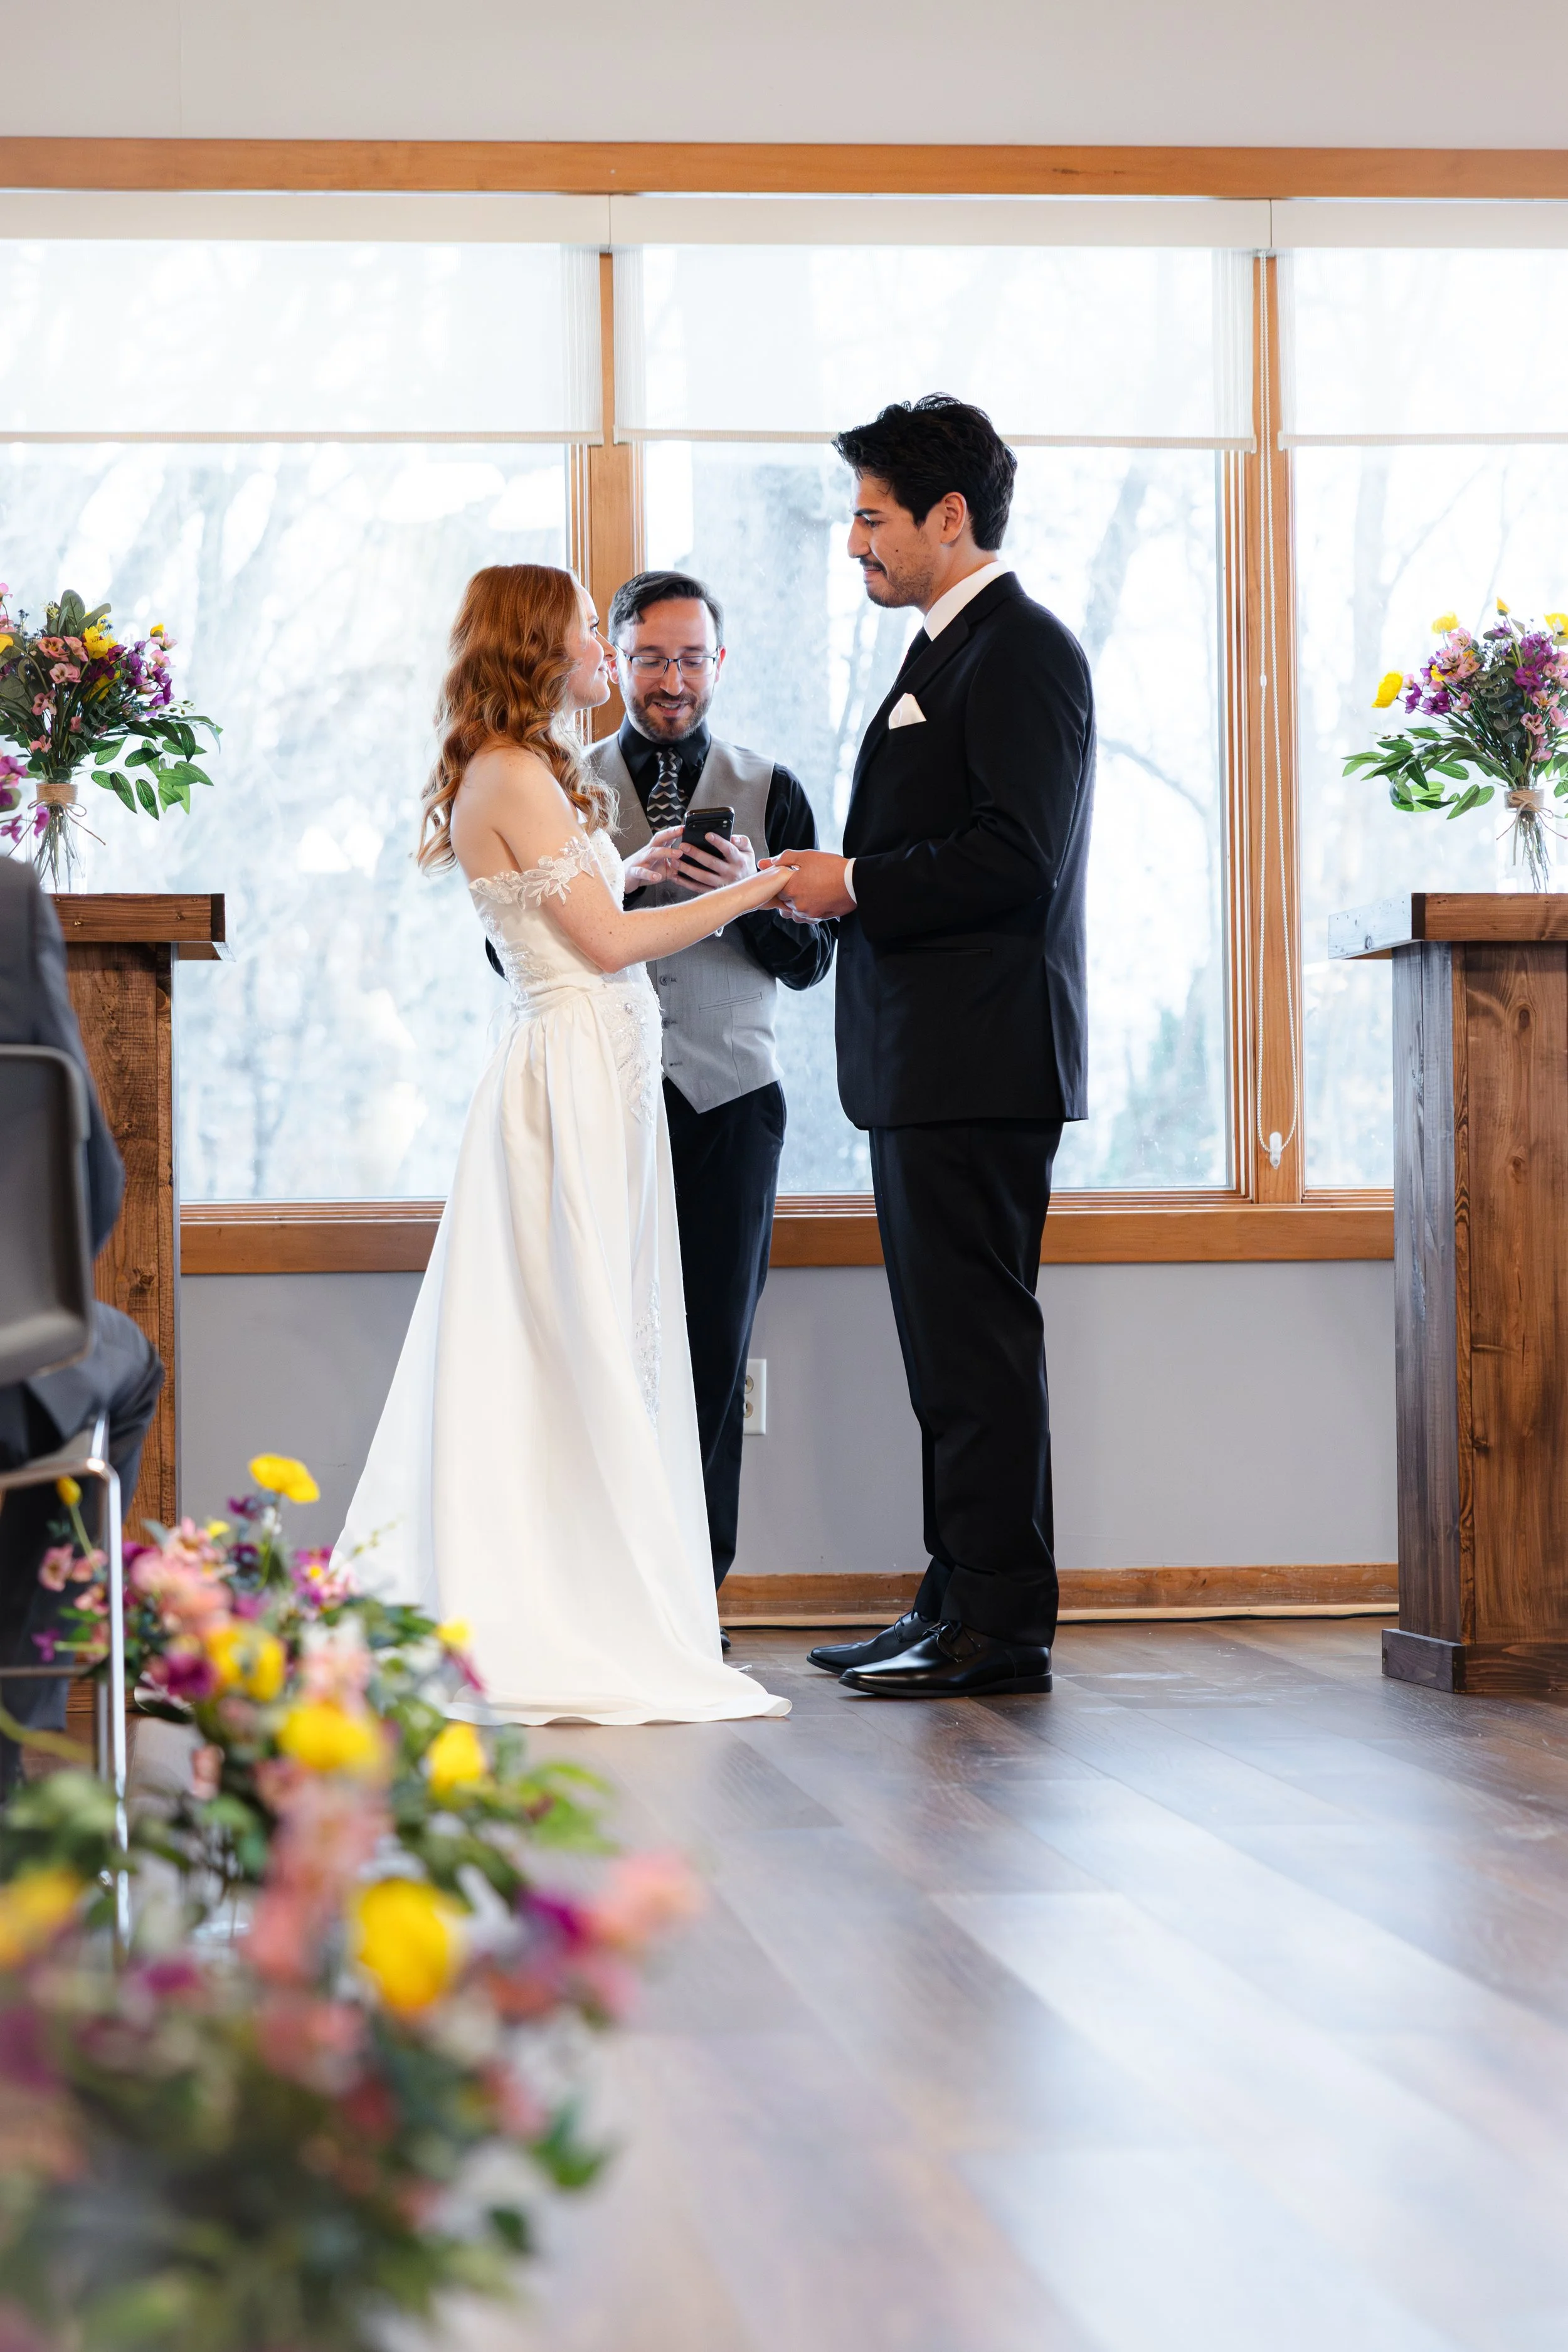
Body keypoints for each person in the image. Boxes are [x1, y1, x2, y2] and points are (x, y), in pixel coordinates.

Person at [333, 564, 792, 1725]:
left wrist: (633, 875)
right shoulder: (515, 772)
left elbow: (583, 905)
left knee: (610, 1331)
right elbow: (599, 944)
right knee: (574, 1331)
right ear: (545, 646)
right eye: (595, 632)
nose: (607, 648)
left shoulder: (529, 768)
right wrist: (754, 892)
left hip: (604, 1074)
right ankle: (569, 1603)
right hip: (575, 1071)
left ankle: (611, 1585)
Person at [776, 395, 1095, 1701]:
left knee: (975, 1354)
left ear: (945, 518)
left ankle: (1000, 1625)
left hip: (979, 1059)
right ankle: (951, 1593)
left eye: (870, 517)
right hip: (926, 1062)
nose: (855, 542)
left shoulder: (1019, 652)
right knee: (945, 1354)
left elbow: (1018, 857)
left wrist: (849, 879)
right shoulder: (939, 651)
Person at [590, 569, 834, 1608]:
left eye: (693, 658)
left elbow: (815, 960)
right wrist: (625, 881)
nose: (674, 681)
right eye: (652, 658)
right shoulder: (562, 782)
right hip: (603, 1099)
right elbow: (510, 954)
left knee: (712, 1350)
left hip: (732, 1103)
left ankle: (695, 1595)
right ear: (615, 661)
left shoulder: (773, 785)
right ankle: (606, 1593)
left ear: (718, 664)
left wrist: (739, 902)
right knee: (604, 1345)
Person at [0, 860, 165, 1787]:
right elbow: (90, 1186)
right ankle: (8, 1723)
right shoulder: (8, 903)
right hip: (4, 1359)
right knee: (113, 1365)